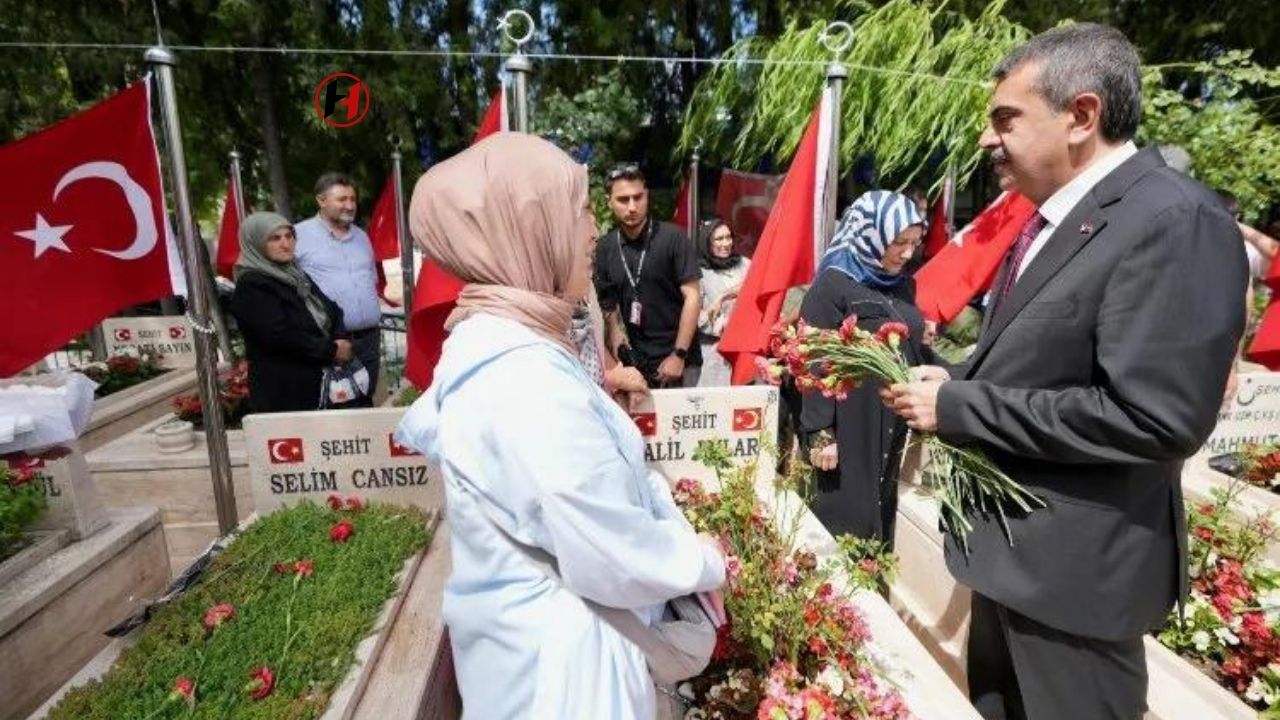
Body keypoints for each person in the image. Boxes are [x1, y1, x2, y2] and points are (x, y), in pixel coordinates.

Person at [882, 25, 1247, 720]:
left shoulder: (1174, 220)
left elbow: (1154, 417)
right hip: (1017, 566)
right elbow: (1046, 362)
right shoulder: (1065, 219)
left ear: (1081, 116)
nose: (988, 140)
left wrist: (963, 409)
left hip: (1076, 583)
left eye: (1006, 119)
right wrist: (950, 379)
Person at [393, 134, 725, 719]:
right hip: (562, 683)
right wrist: (706, 560)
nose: (592, 230)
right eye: (576, 213)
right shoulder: (522, 374)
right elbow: (608, 548)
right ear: (530, 232)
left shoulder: (517, 344)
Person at [799, 191, 929, 543]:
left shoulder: (904, 285)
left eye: (915, 243)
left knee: (882, 517)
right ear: (870, 235)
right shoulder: (833, 285)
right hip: (850, 423)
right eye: (898, 242)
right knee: (846, 520)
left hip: (892, 421)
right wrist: (821, 434)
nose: (907, 253)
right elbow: (814, 358)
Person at [230, 212, 351, 413]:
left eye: (289, 236)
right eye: (275, 238)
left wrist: (341, 338)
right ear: (256, 243)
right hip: (285, 390)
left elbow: (332, 309)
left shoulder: (295, 274)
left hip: (316, 381)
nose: (286, 244)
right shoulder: (252, 285)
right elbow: (280, 335)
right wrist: (332, 351)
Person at [593, 165, 703, 388]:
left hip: (680, 359)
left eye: (638, 197)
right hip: (635, 363)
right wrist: (614, 331)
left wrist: (679, 354)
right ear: (609, 201)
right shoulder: (605, 247)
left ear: (647, 196)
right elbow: (607, 302)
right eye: (623, 200)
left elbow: (693, 297)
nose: (632, 207)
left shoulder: (674, 238)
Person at [294, 173, 381, 406]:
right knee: (336, 411)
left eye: (353, 199)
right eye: (342, 199)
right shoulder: (298, 236)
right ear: (321, 201)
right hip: (331, 342)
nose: (350, 205)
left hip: (369, 339)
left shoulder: (362, 237)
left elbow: (371, 280)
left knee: (365, 402)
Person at [695, 220, 751, 387]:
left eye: (728, 237)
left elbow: (753, 287)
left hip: (745, 347)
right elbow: (695, 314)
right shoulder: (698, 272)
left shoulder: (745, 263)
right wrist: (719, 326)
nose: (725, 243)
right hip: (714, 351)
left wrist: (723, 296)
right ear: (707, 242)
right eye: (719, 239)